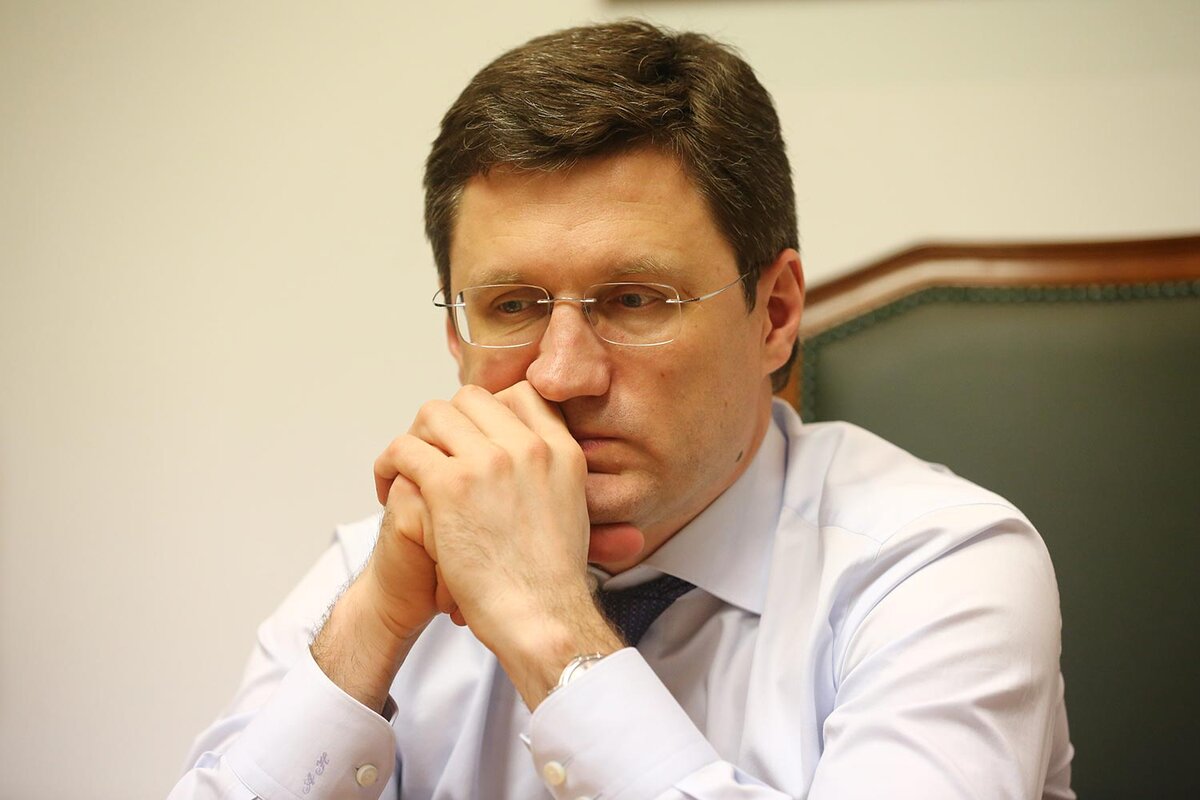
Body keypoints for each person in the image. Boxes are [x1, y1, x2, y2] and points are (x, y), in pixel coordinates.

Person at [170, 20, 1073, 800]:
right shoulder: (379, 565)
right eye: (512, 306)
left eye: (636, 300)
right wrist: (372, 627)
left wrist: (550, 629)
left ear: (775, 314)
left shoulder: (937, 567)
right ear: (456, 334)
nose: (562, 374)